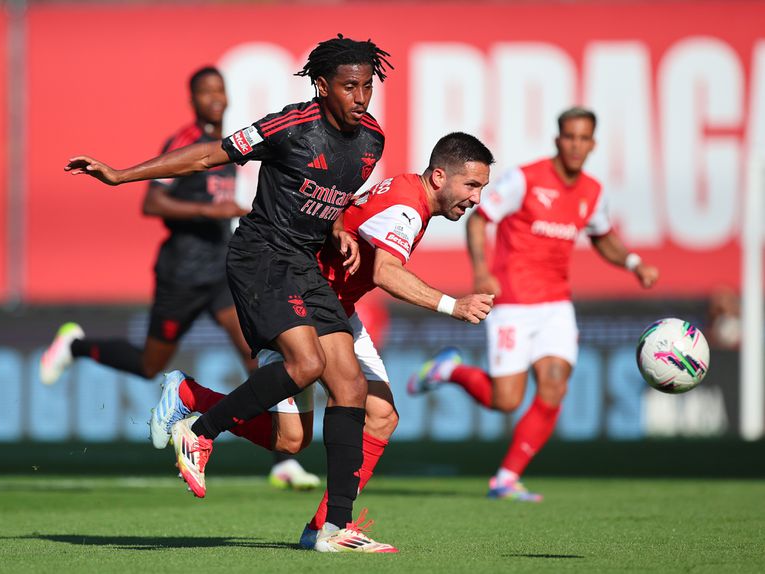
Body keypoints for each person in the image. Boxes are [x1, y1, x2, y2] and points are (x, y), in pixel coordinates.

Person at [65, 35, 397, 553]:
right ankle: (201, 431)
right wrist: (122, 174)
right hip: (261, 257)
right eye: (350, 86)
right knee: (307, 364)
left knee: (349, 390)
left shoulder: (372, 139)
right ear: (321, 85)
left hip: (306, 265)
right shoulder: (291, 126)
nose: (361, 97)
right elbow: (205, 157)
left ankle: (333, 528)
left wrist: (337, 230)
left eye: (367, 86)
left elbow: (328, 198)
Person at [164, 132, 495, 550]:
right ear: (439, 176)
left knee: (370, 418)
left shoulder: (411, 192)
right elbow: (386, 274)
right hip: (298, 302)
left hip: (336, 308)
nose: (476, 198)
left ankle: (325, 526)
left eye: (481, 188)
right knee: (312, 422)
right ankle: (196, 409)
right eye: (471, 185)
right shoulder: (408, 209)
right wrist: (454, 306)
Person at [41, 66, 319, 490]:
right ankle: (75, 344)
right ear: (192, 101)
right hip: (183, 270)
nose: (214, 99)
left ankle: (283, 460)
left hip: (223, 270)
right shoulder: (187, 142)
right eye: (205, 92)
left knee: (261, 356)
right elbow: (153, 203)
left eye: (219, 91)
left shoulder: (230, 145)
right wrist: (212, 212)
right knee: (150, 363)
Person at [408, 107, 660, 501]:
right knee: (504, 399)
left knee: (555, 385)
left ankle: (506, 478)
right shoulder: (526, 179)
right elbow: (479, 220)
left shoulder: (592, 192)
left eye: (583, 138)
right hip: (513, 301)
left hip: (556, 304)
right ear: (558, 139)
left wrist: (633, 262)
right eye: (569, 137)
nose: (576, 145)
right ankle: (450, 370)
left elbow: (603, 236)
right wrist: (481, 273)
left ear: (593, 143)